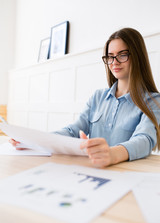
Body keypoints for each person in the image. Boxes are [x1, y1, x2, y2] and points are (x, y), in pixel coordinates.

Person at [10, 27, 160, 168]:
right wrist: (35, 140)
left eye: (122, 55)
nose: (114, 62)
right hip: (92, 170)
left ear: (137, 56)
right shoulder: (97, 97)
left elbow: (144, 140)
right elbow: (73, 130)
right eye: (110, 56)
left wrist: (112, 154)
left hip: (126, 174)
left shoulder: (153, 101)